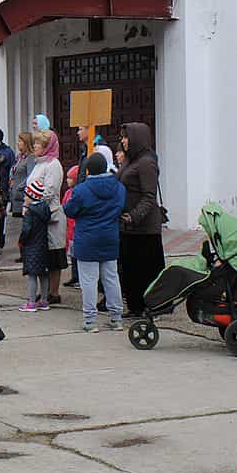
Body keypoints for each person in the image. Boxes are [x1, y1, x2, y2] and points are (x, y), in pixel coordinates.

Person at [64, 153, 126, 332]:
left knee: (89, 280)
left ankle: (90, 321)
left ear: (88, 170)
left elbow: (70, 210)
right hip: (110, 236)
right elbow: (121, 206)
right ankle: (116, 318)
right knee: (111, 277)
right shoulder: (119, 188)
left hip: (87, 239)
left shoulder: (82, 190)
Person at [117, 122, 165, 318]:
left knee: (145, 270)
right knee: (129, 270)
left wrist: (134, 216)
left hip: (144, 228)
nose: (123, 140)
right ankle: (135, 306)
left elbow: (149, 195)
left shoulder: (146, 162)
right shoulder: (131, 160)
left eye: (126, 137)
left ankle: (150, 307)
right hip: (128, 226)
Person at [26, 130, 68, 304]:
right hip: (37, 215)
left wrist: (32, 199)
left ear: (47, 146)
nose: (34, 146)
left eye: (38, 144)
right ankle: (45, 292)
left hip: (51, 216)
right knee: (43, 254)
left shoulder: (53, 164)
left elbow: (50, 191)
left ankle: (53, 292)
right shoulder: (39, 163)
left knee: (54, 256)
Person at [18, 179, 50, 312]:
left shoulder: (30, 212)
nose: (24, 197)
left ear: (31, 197)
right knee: (43, 274)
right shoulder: (45, 209)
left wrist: (21, 240)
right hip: (43, 245)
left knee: (32, 274)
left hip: (31, 246)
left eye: (26, 195)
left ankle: (31, 302)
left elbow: (26, 230)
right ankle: (44, 300)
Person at [10, 132, 35, 217]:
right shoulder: (19, 157)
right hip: (15, 196)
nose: (18, 143)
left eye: (20, 141)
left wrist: (19, 187)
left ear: (26, 143)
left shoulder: (30, 158)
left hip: (22, 195)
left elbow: (30, 175)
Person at [63, 165, 80, 287]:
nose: (67, 180)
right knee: (72, 254)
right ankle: (74, 276)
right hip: (68, 227)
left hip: (74, 228)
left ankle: (78, 277)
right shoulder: (68, 192)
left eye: (70, 178)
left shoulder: (76, 193)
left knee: (77, 254)